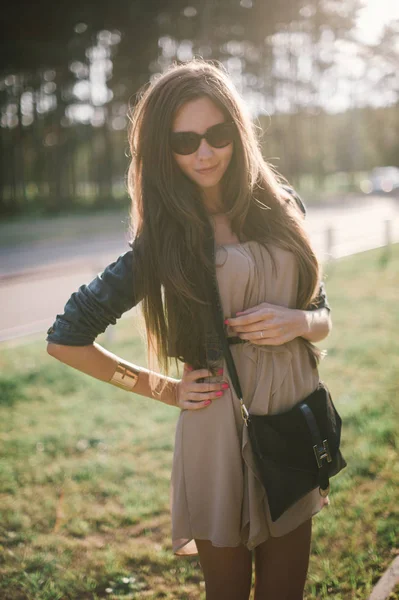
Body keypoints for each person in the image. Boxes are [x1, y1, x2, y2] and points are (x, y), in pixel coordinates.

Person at [46, 59, 332, 600]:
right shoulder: (165, 241)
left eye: (217, 134)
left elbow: (323, 317)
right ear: (163, 151)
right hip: (218, 428)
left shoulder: (283, 208)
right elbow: (66, 338)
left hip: (293, 416)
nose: (205, 153)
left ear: (238, 132)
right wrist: (165, 388)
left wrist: (298, 321)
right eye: (185, 142)